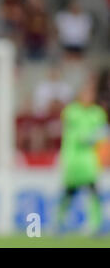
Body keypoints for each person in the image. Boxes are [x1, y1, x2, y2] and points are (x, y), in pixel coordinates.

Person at [56, 78, 108, 235]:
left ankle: (97, 225)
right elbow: (77, 134)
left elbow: (103, 134)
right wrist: (91, 136)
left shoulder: (98, 113)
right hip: (72, 159)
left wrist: (97, 136)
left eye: (90, 93)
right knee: (68, 193)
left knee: (94, 193)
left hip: (88, 161)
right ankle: (59, 224)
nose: (88, 96)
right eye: (85, 92)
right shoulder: (71, 111)